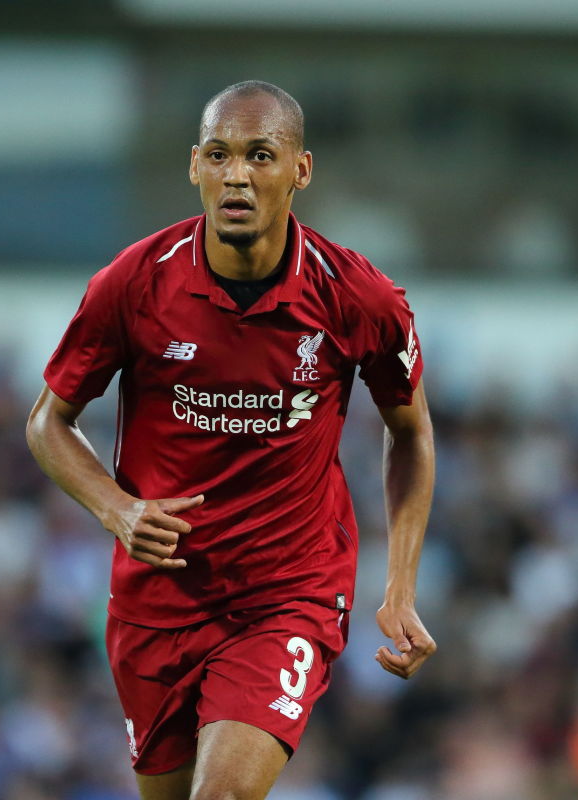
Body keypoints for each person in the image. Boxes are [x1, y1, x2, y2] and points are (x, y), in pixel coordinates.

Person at [26, 80, 436, 800]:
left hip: (288, 594)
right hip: (159, 598)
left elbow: (411, 433)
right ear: (195, 166)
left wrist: (400, 587)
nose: (237, 175)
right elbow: (47, 422)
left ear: (300, 170)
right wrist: (117, 509)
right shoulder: (134, 283)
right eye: (219, 155)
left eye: (260, 155)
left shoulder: (357, 297)